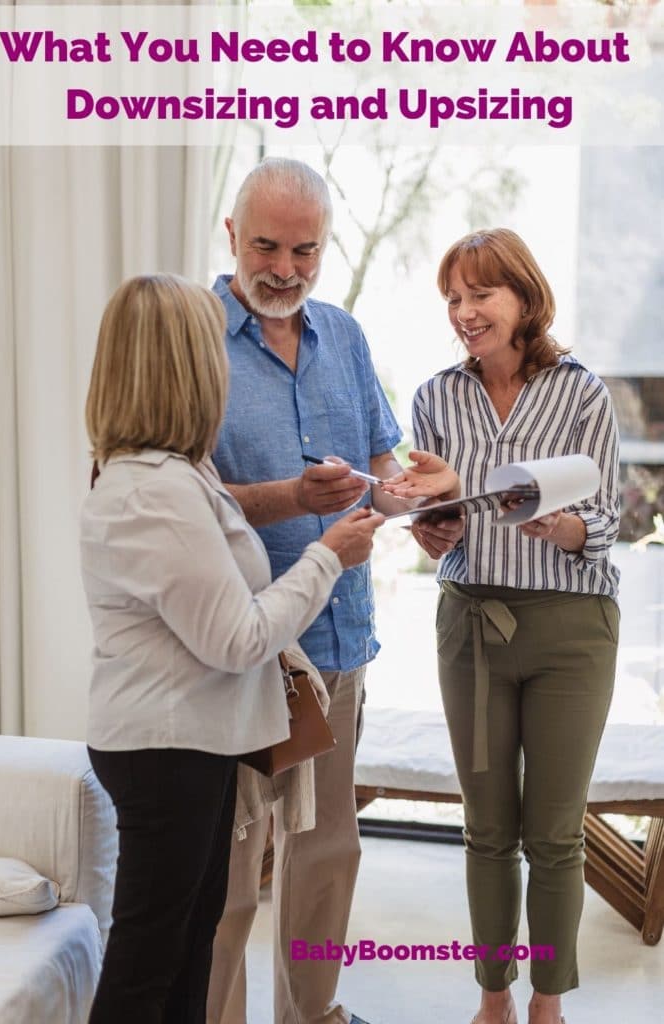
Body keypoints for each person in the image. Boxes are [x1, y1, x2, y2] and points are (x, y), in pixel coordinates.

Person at [80, 273, 386, 1024]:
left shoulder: (177, 474)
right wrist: (328, 556)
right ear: (184, 366)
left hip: (191, 745)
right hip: (167, 750)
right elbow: (238, 637)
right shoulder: (153, 489)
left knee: (183, 952)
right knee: (150, 966)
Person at [207, 158, 459, 1024]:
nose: (285, 269)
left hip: (336, 649)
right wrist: (289, 498)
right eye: (267, 247)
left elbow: (378, 469)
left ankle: (310, 1014)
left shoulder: (343, 336)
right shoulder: (190, 338)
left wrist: (418, 504)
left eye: (304, 250)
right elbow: (166, 493)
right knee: (230, 877)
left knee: (326, 854)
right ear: (232, 236)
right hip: (238, 652)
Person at [383, 229, 620, 1024]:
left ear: (522, 296)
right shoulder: (434, 396)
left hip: (571, 627)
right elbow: (431, 513)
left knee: (553, 832)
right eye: (452, 297)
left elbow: (608, 517)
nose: (463, 311)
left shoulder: (581, 391)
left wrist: (562, 528)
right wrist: (429, 529)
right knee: (486, 828)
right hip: (471, 627)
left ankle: (546, 1003)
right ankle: (494, 999)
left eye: (479, 293)